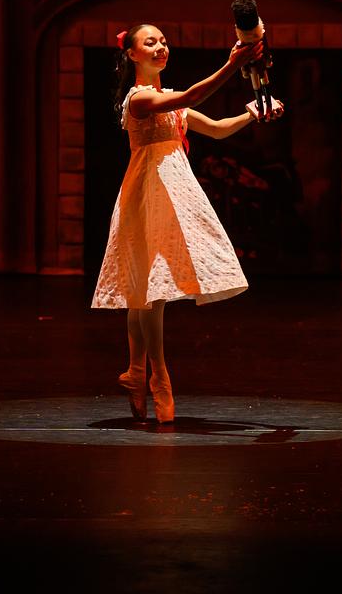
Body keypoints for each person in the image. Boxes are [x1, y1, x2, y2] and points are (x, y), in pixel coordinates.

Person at [90, 23, 285, 424]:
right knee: (147, 285)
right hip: (147, 189)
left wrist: (252, 113)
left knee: (149, 283)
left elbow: (215, 128)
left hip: (173, 192)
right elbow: (196, 94)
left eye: (163, 41)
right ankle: (157, 375)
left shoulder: (170, 101)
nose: (161, 46)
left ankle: (138, 370)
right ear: (132, 55)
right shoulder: (139, 98)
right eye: (150, 42)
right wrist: (233, 63)